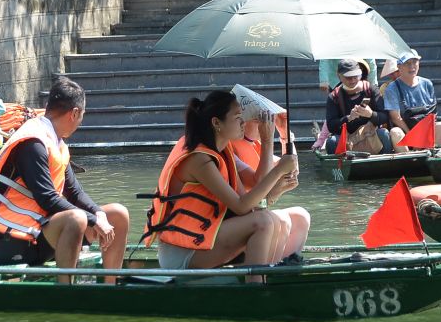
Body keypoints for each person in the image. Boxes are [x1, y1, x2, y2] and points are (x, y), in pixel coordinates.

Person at [0, 76, 129, 283]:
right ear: (75, 113)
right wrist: (92, 220)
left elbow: (75, 192)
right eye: (82, 116)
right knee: (77, 218)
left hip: (42, 232)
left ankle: (110, 288)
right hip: (12, 241)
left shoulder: (55, 141)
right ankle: (66, 294)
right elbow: (47, 199)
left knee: (117, 214)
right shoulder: (33, 143)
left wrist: (99, 214)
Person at [144, 89, 298, 281]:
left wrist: (274, 185)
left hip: (204, 238)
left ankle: (265, 280)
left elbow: (247, 206)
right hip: (182, 253)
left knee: (270, 219)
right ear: (217, 123)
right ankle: (256, 290)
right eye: (237, 117)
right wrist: (278, 170)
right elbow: (241, 205)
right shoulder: (199, 159)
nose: (243, 122)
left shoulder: (223, 153)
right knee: (264, 222)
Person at [231, 117, 311, 263]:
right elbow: (258, 183)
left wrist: (285, 135)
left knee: (301, 216)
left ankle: (286, 266)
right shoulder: (229, 148)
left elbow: (291, 171)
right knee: (280, 220)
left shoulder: (255, 145)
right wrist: (273, 194)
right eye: (260, 119)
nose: (267, 124)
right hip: (240, 221)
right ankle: (266, 273)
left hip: (257, 212)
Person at [383, 50, 441, 151]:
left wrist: (422, 137)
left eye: (415, 62)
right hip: (405, 132)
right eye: (407, 63)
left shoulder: (427, 83)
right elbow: (395, 118)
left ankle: (434, 159)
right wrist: (413, 137)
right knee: (395, 132)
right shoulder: (391, 88)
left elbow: (433, 113)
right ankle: (408, 162)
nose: (412, 66)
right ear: (399, 67)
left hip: (425, 130)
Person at [324, 59, 393, 154]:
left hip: (371, 133)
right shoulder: (334, 96)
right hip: (347, 137)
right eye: (348, 77)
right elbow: (331, 126)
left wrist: (371, 114)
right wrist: (348, 118)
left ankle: (386, 165)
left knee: (384, 134)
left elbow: (385, 117)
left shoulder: (371, 89)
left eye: (355, 76)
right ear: (339, 76)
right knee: (332, 142)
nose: (352, 80)